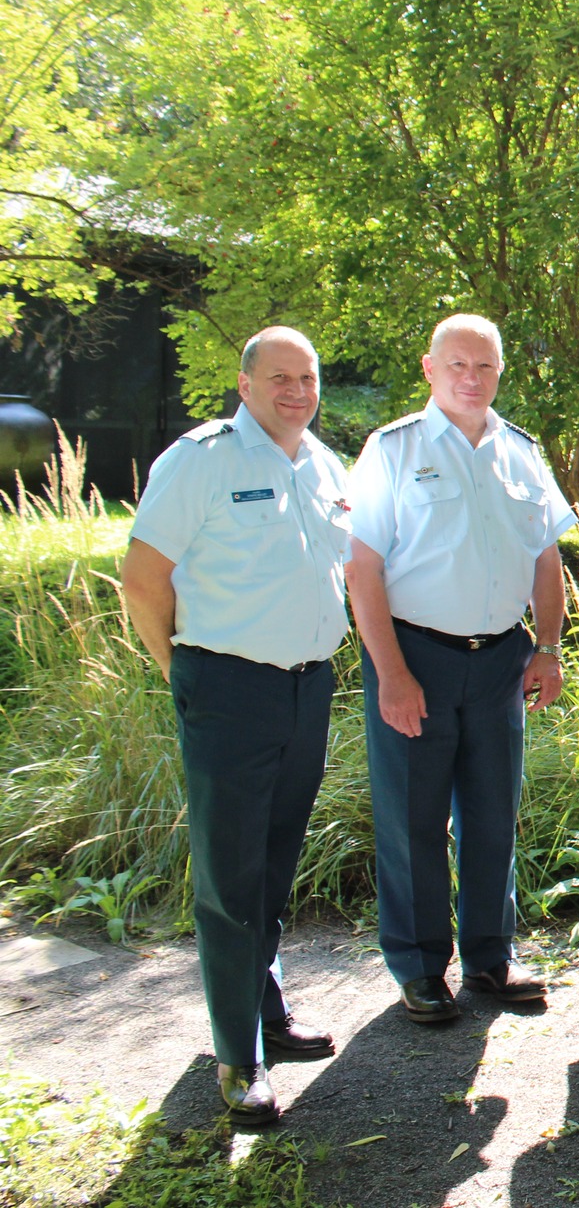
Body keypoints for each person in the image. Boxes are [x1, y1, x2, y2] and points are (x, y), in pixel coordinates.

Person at [121, 327, 351, 1125]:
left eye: (307, 377)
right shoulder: (202, 459)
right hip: (228, 687)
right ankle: (237, 1053)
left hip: (306, 688)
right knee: (229, 876)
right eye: (279, 377)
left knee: (275, 859)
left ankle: (266, 1006)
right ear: (246, 385)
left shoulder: (323, 464)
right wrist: (182, 669)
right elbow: (143, 578)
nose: (297, 390)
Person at [346, 314, 576, 1023]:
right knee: (412, 819)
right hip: (417, 657)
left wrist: (548, 646)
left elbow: (545, 558)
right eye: (457, 365)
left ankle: (489, 958)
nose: (471, 379)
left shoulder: (521, 452)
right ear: (429, 368)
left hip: (501, 660)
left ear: (499, 372)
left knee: (491, 814)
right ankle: (419, 967)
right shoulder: (393, 449)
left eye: (485, 366)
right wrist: (391, 672)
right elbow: (362, 568)